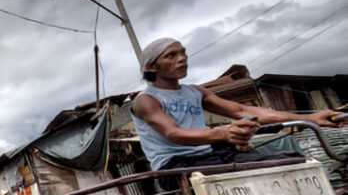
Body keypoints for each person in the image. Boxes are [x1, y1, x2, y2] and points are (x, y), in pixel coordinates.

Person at [131, 37, 341, 171]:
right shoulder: (147, 100)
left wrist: (310, 118)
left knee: (293, 160)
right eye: (171, 55)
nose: (182, 58)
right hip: (174, 165)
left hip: (208, 156)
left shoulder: (195, 92)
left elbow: (242, 110)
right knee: (273, 166)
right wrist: (223, 133)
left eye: (182, 52)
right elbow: (174, 134)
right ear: (152, 67)